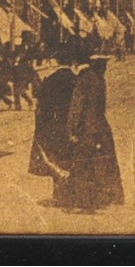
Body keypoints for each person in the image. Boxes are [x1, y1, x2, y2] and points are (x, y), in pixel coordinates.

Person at [60, 52, 124, 213]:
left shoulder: (83, 80)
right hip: (100, 126)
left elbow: (76, 107)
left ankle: (85, 202)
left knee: (82, 165)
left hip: (85, 129)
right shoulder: (99, 80)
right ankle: (106, 197)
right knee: (101, 163)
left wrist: (71, 129)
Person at [28, 49, 77, 204]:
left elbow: (42, 102)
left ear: (57, 61)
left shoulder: (51, 80)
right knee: (69, 159)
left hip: (53, 125)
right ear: (72, 63)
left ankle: (59, 194)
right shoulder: (75, 80)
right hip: (69, 124)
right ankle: (69, 194)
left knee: (55, 159)